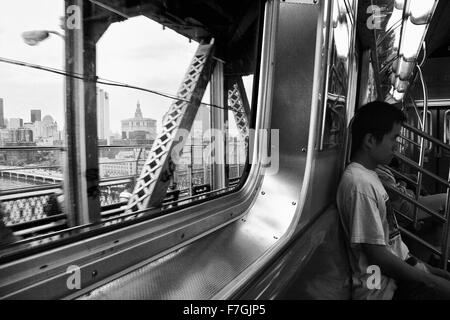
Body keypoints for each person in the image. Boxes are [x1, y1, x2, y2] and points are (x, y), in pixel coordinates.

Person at [336, 101, 450, 300]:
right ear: (370, 140)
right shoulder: (359, 184)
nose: (396, 146)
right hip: (382, 290)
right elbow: (378, 256)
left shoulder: (370, 176)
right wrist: (430, 280)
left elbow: (394, 246)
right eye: (393, 138)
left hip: (398, 275)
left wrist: (429, 270)